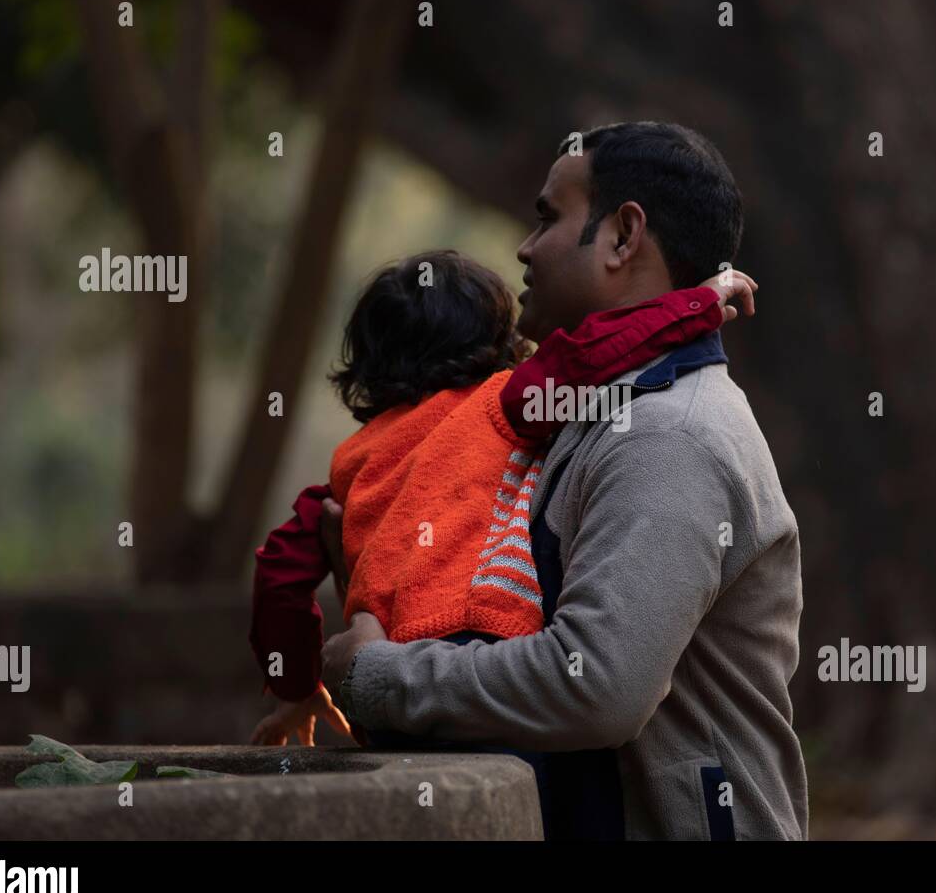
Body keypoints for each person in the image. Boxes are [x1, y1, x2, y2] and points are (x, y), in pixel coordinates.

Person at [323, 122, 809, 840]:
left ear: (622, 237)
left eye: (549, 217)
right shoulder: (591, 411)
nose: (523, 247)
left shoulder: (668, 436)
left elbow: (595, 686)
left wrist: (378, 675)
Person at [247, 249, 755, 748]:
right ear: (496, 340)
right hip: (479, 646)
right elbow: (595, 352)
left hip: (382, 673)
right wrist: (694, 306)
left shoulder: (350, 464)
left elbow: (279, 576)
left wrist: (297, 687)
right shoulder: (505, 402)